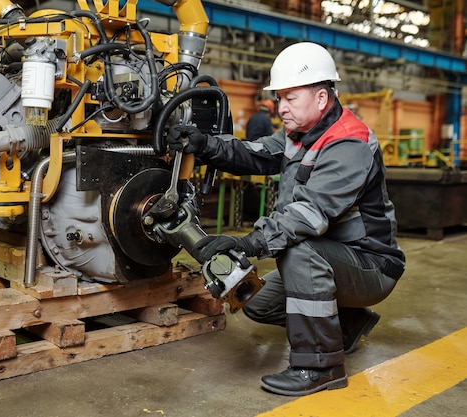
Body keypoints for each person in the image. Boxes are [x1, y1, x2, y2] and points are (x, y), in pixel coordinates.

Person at [166, 42, 405, 396]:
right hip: (334, 258)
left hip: (370, 264)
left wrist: (247, 242)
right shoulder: (300, 133)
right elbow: (257, 154)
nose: (281, 108)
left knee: (297, 249)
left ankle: (320, 367)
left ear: (321, 97)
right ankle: (346, 325)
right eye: (279, 99)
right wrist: (205, 145)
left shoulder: (349, 144)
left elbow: (309, 215)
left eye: (290, 98)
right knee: (256, 302)